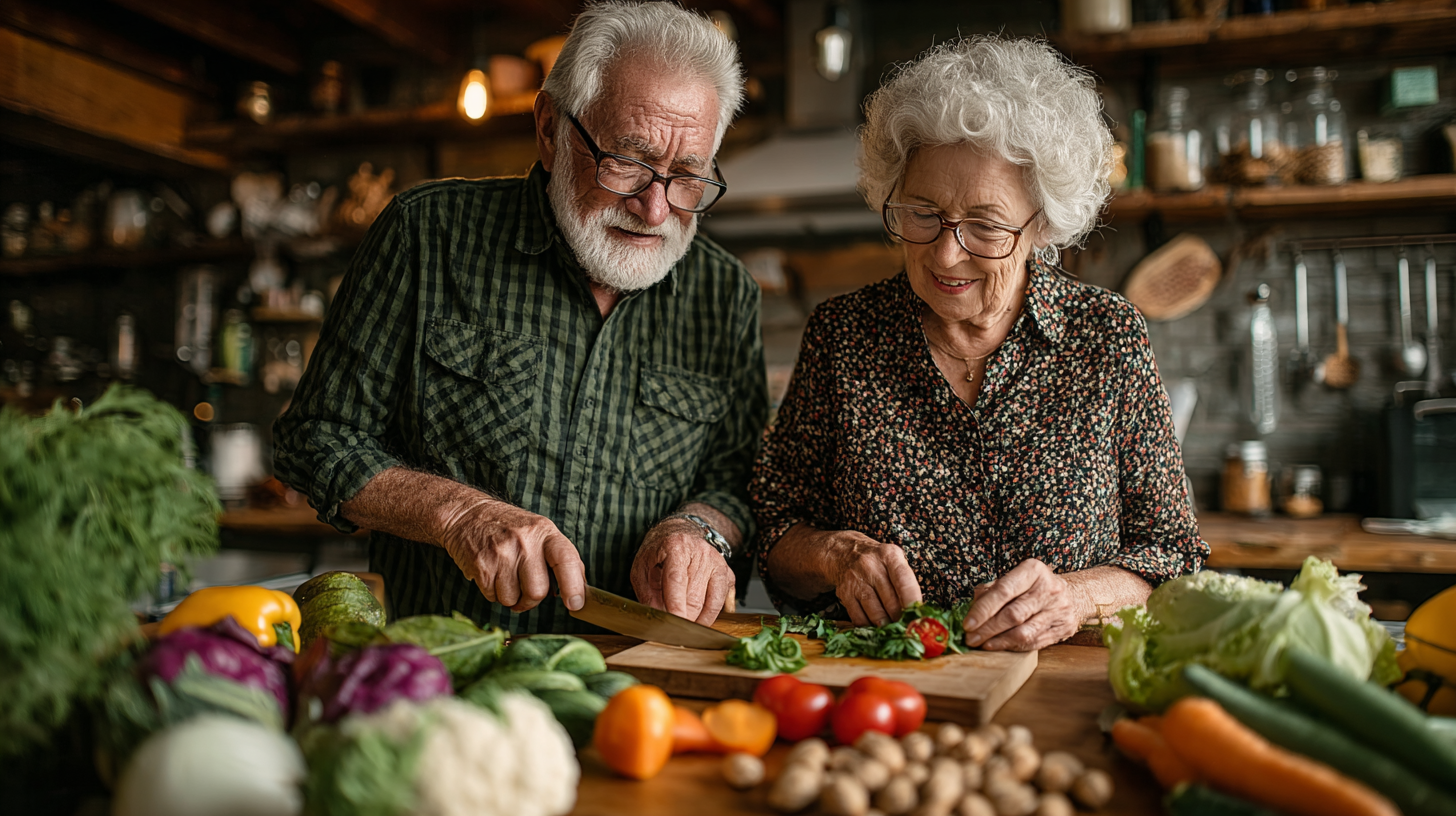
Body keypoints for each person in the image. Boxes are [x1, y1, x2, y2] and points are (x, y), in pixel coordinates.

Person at [273, 1, 767, 634]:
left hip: (640, 686)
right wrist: (457, 515)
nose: (654, 208)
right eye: (627, 161)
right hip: (446, 672)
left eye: (688, 176)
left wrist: (697, 529)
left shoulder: (725, 294)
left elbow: (738, 482)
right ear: (550, 128)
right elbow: (314, 440)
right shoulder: (428, 234)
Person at [749, 36, 1207, 652]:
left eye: (986, 226)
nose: (945, 252)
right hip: (886, 685)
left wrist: (1076, 598)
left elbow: (1173, 555)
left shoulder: (1107, 334)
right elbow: (773, 526)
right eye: (922, 212)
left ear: (1041, 223)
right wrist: (835, 554)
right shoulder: (843, 336)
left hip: (1063, 683)